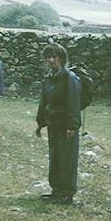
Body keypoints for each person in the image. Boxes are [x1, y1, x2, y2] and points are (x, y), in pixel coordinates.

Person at [35, 44, 82, 204]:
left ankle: (67, 193)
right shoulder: (49, 78)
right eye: (48, 57)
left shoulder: (70, 79)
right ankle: (56, 191)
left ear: (62, 58)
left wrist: (72, 126)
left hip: (66, 126)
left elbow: (73, 104)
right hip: (53, 124)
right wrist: (40, 122)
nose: (51, 60)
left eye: (54, 57)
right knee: (55, 157)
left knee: (67, 159)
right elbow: (44, 101)